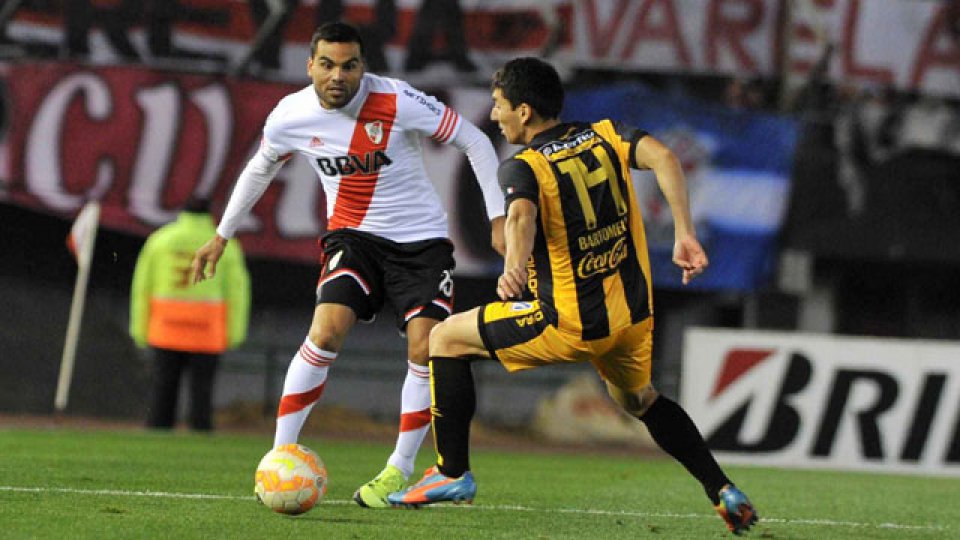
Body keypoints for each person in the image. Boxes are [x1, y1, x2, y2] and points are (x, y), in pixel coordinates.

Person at [387, 57, 759, 536]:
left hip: (568, 322)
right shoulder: (607, 133)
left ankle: (452, 473)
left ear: (524, 111)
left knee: (444, 339)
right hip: (632, 318)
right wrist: (684, 234)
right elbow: (666, 157)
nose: (496, 115)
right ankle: (722, 489)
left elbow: (519, 218)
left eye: (499, 106)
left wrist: (515, 266)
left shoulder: (524, 166)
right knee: (640, 399)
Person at [190, 22, 505, 508]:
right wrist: (222, 233)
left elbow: (477, 142)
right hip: (353, 240)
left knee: (427, 346)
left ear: (364, 67)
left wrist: (497, 219)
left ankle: (398, 470)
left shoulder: (397, 100)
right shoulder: (289, 115)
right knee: (325, 330)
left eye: (349, 65)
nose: (338, 75)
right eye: (328, 64)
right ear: (310, 65)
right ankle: (278, 457)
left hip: (421, 245)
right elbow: (262, 165)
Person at [130, 197, 250, 431]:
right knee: (202, 397)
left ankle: (157, 440)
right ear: (210, 215)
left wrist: (139, 328)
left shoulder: (160, 240)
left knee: (162, 394)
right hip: (207, 332)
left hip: (166, 328)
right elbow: (238, 292)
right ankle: (201, 439)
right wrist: (235, 333)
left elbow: (142, 287)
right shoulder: (226, 246)